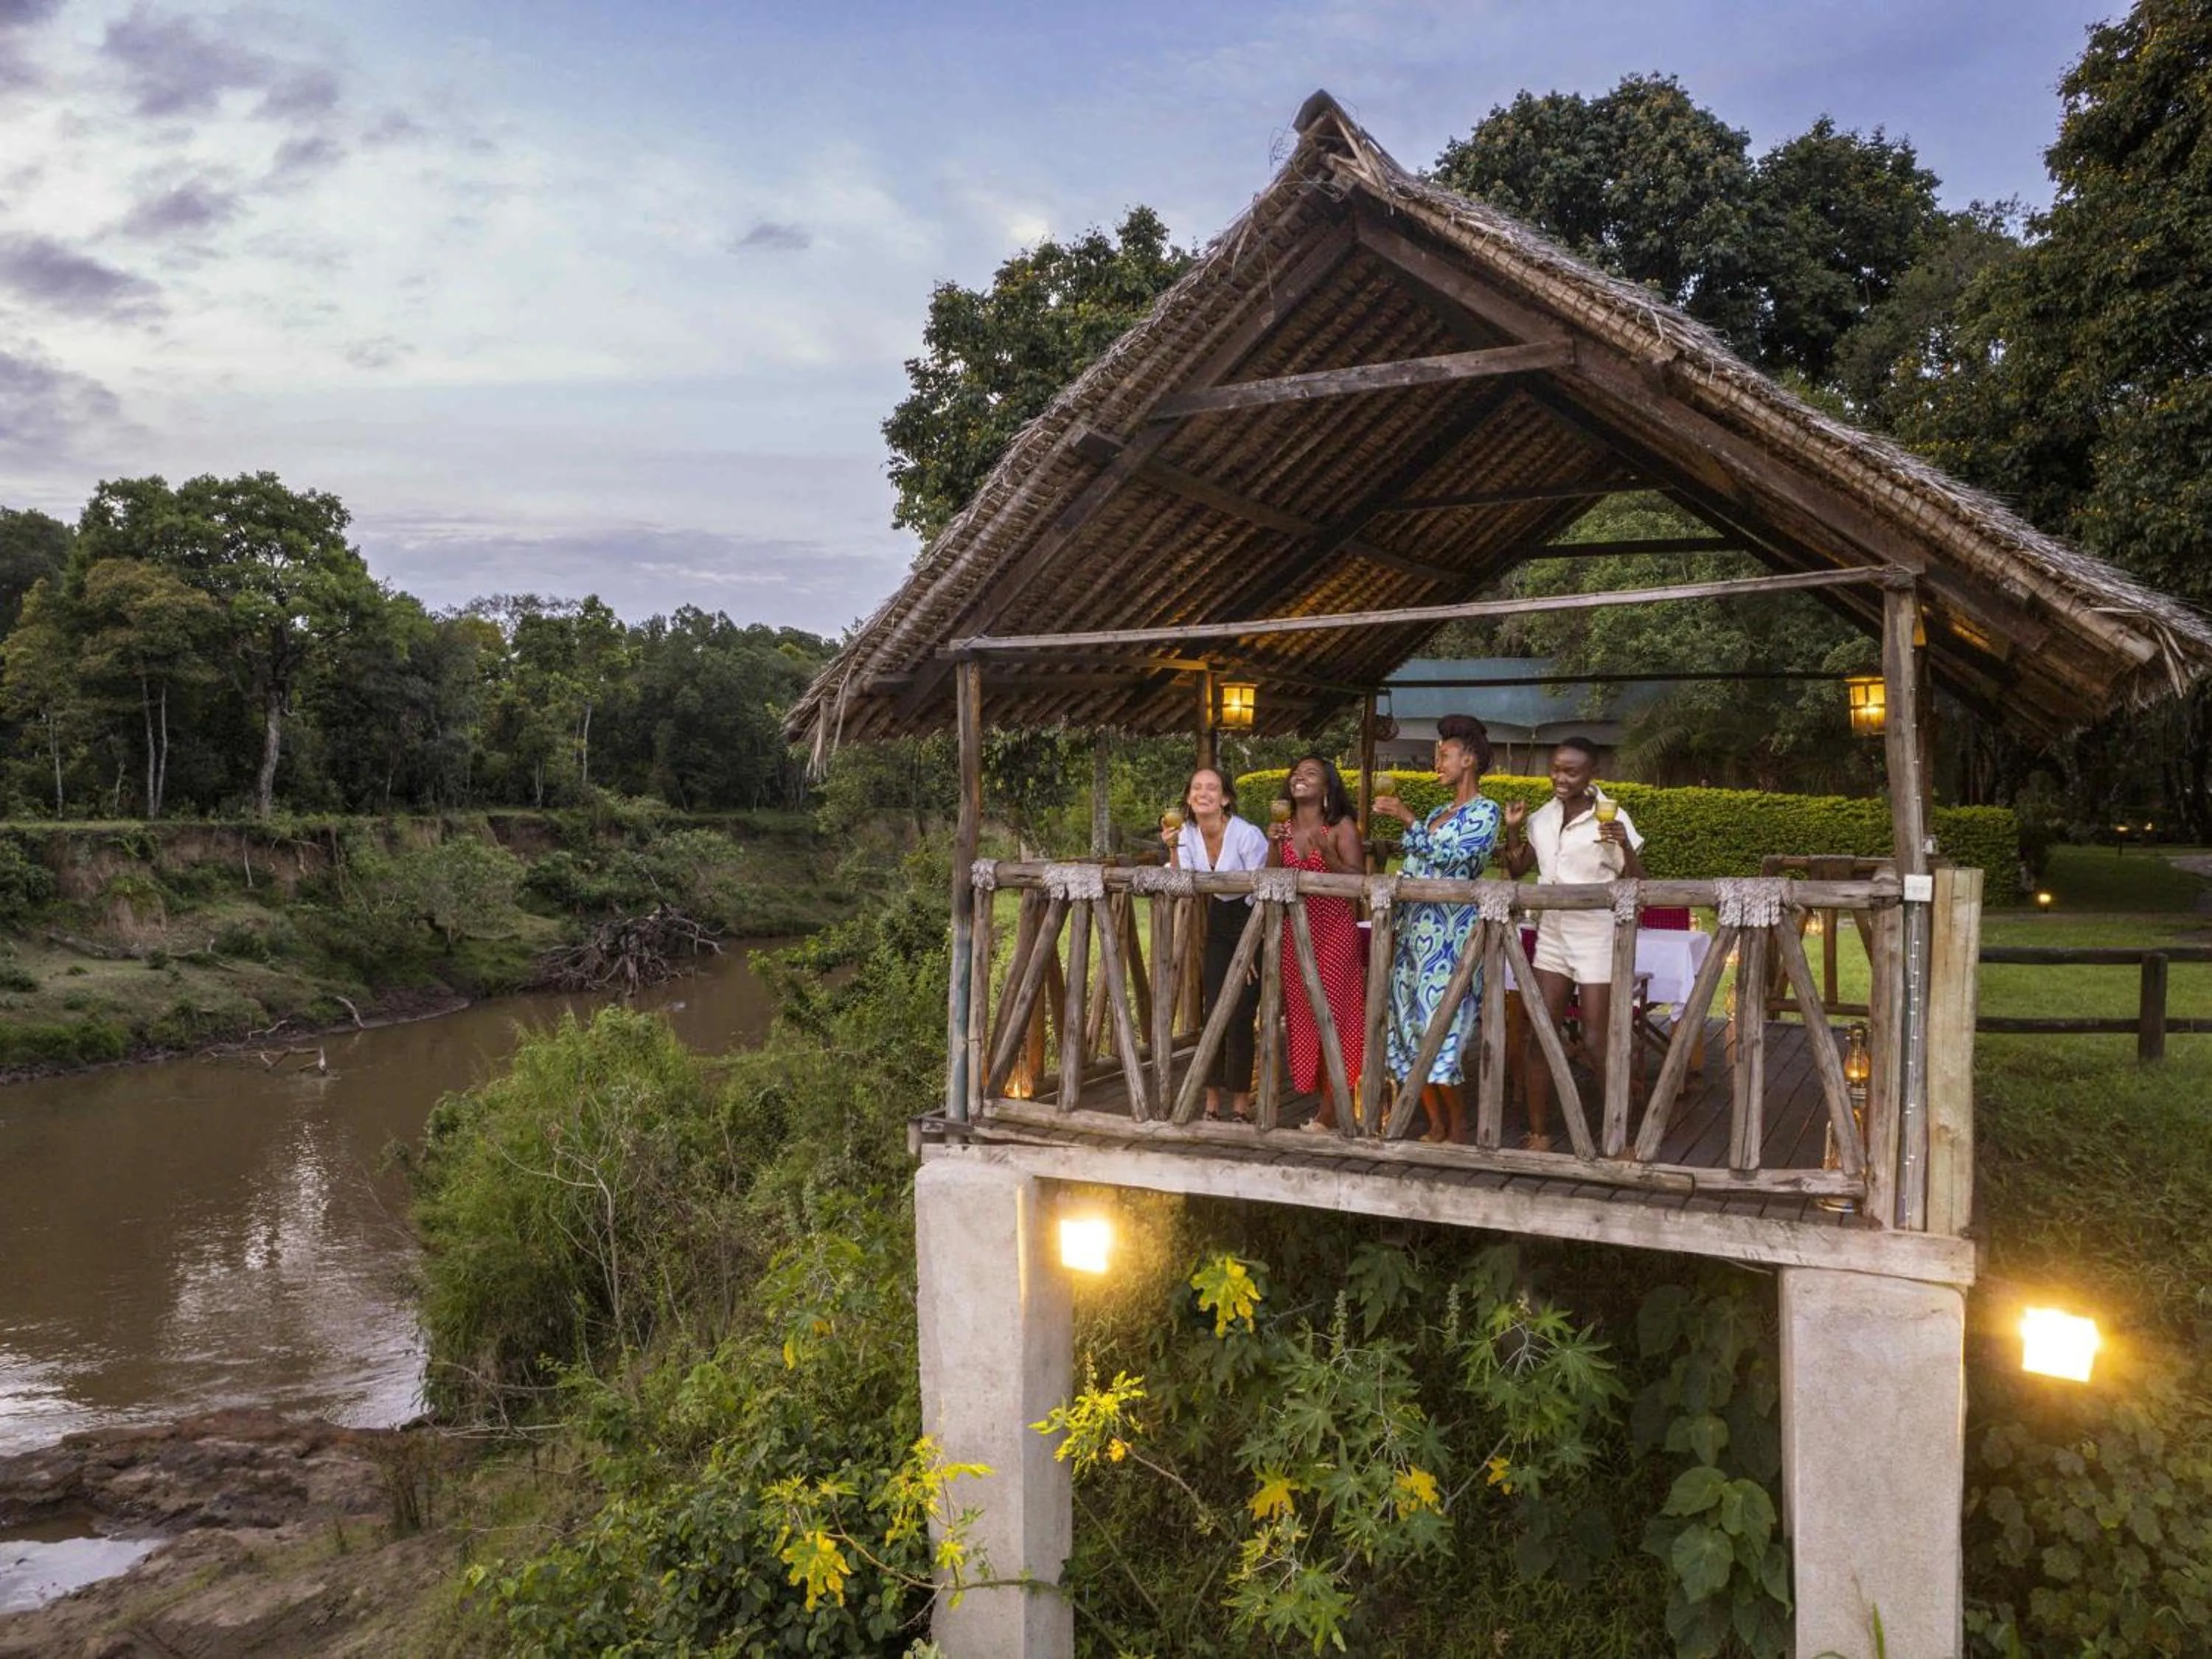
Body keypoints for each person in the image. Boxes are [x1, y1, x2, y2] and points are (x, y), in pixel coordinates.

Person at [1496, 737, 1646, 1151]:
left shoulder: (1611, 816)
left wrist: (1624, 843)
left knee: (1598, 1040)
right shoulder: (1542, 818)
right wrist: (1511, 830)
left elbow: (1637, 881)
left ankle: (1621, 1137)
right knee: (1541, 1031)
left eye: (1571, 771)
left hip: (1596, 931)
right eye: (1556, 769)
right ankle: (1539, 1133)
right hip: (1553, 932)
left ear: (1591, 775)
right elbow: (1518, 867)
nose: (1560, 778)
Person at [1370, 714, 1502, 1144]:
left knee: (1441, 1035)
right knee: (1407, 1033)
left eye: (1444, 755)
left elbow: (1453, 861)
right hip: (1412, 942)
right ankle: (1435, 1124)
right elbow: (1416, 863)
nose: (1437, 763)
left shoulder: (1486, 812)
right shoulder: (1436, 813)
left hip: (1451, 947)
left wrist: (1408, 818)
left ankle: (1460, 1131)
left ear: (1469, 760)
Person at [1266, 754, 1368, 1131]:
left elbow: (1359, 881)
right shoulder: (1283, 827)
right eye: (1296, 773)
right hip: (1297, 937)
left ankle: (1330, 1112)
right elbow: (1271, 880)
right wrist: (1274, 844)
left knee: (1336, 1020)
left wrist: (1329, 857)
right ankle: (1327, 1103)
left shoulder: (1340, 826)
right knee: (1305, 1018)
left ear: (1327, 787)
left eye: (1311, 774)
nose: (1300, 778)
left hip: (1335, 932)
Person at [1162, 766, 1269, 1122]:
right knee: (1213, 1012)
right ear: (1189, 798)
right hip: (1219, 922)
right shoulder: (1188, 833)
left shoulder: (1247, 835)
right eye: (1196, 788)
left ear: (1225, 799)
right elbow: (1183, 882)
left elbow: (1264, 890)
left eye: (1212, 789)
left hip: (1253, 921)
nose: (1203, 794)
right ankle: (1210, 1102)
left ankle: (1240, 1105)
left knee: (1240, 1014)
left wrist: (1249, 945)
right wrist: (1174, 848)